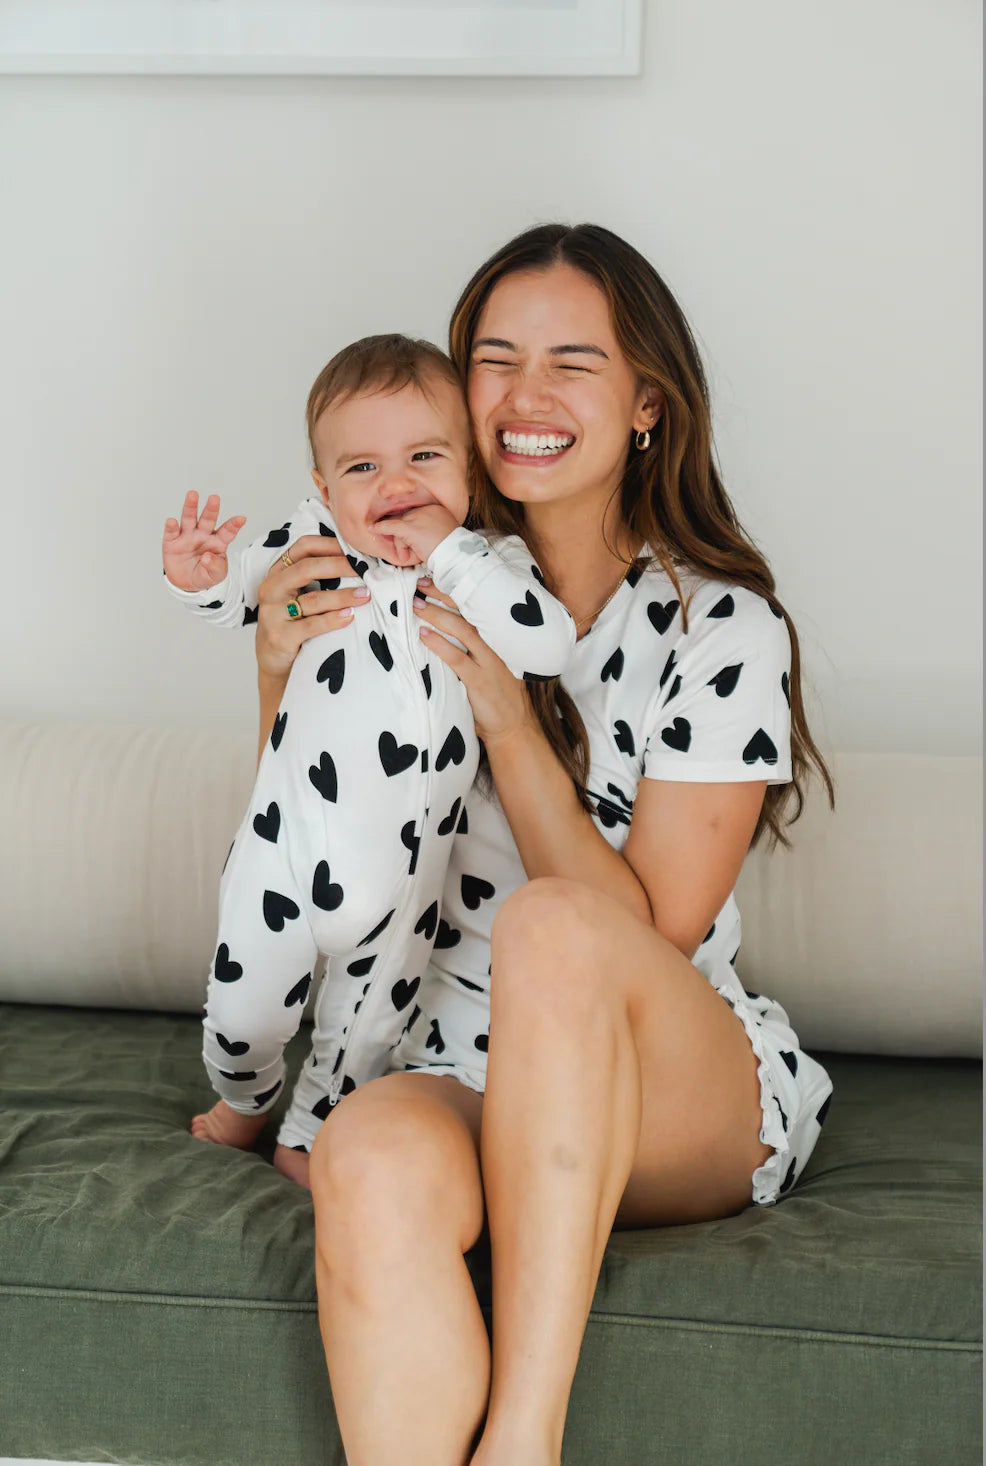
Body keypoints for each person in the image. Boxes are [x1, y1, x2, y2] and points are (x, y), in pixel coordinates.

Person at [245, 223, 837, 1466]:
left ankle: (525, 1440)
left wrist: (513, 725)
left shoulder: (719, 627)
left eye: (572, 362)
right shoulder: (402, 575)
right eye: (495, 358)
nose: (524, 396)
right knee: (366, 1153)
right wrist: (276, 673)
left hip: (669, 1076)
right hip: (458, 1058)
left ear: (645, 403)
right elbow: (319, 834)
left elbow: (646, 934)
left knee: (553, 925)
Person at [162, 334, 575, 1185]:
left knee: (363, 1036)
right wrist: (201, 578)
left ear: (470, 474)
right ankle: (245, 1100)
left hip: (408, 869)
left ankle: (307, 1133)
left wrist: (453, 552)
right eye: (362, 468)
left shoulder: (489, 567)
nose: (397, 486)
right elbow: (242, 591)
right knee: (240, 1016)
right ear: (323, 490)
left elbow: (548, 644)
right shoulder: (313, 543)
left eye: (424, 457)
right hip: (286, 845)